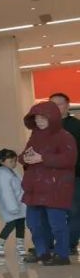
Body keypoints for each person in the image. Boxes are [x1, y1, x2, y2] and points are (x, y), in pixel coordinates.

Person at [20, 101, 78, 266]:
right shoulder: (35, 136)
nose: (39, 121)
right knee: (33, 223)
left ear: (52, 118)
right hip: (34, 188)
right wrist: (24, 158)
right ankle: (42, 252)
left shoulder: (65, 136)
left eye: (43, 118)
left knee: (57, 224)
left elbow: (69, 159)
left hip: (55, 188)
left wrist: (42, 158)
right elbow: (24, 156)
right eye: (36, 118)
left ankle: (62, 255)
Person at [49, 93, 80, 254]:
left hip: (74, 175)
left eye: (59, 104)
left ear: (67, 105)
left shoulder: (76, 125)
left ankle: (69, 243)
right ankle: (54, 243)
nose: (55, 107)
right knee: (53, 211)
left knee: (74, 210)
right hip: (50, 177)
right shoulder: (45, 126)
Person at [0, 149, 27, 258]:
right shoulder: (2, 175)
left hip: (19, 204)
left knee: (20, 224)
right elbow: (6, 193)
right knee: (11, 224)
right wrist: (12, 207)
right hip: (11, 206)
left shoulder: (12, 172)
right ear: (1, 161)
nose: (14, 163)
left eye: (15, 161)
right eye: (11, 161)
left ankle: (20, 246)